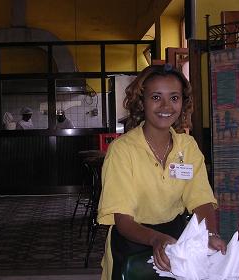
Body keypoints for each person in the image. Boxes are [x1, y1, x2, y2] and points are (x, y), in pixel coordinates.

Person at [97, 64, 227, 280]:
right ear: (142, 102)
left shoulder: (188, 146)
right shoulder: (122, 151)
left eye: (174, 98)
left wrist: (210, 235)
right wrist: (156, 239)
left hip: (175, 240)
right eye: (156, 97)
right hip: (133, 239)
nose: (166, 106)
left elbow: (201, 199)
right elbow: (123, 220)